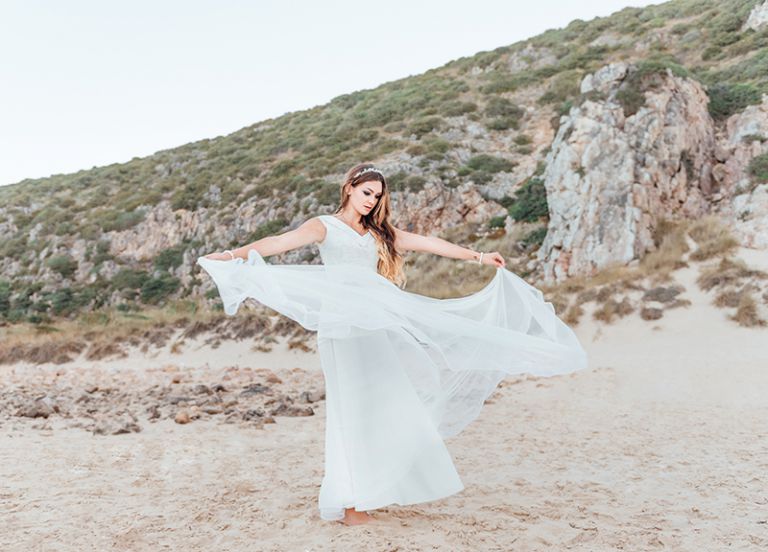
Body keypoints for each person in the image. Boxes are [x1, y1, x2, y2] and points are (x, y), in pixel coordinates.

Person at [197, 162, 588, 526]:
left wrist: (480, 256)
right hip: (341, 329)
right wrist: (231, 255)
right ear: (349, 189)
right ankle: (350, 503)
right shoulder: (325, 226)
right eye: (366, 192)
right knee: (350, 406)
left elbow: (428, 242)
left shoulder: (380, 233)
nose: (371, 201)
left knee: (386, 400)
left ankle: (374, 487)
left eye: (377, 196)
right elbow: (279, 242)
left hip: (373, 326)